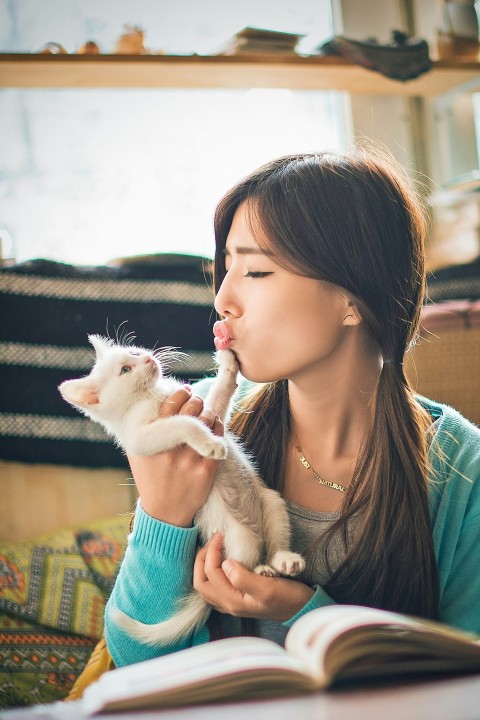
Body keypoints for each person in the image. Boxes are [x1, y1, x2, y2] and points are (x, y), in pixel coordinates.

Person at [104, 149, 480, 668]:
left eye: (256, 271)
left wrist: (305, 611)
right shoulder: (207, 428)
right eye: (226, 266)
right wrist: (162, 516)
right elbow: (135, 664)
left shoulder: (463, 472)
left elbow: (467, 678)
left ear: (354, 299)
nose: (223, 299)